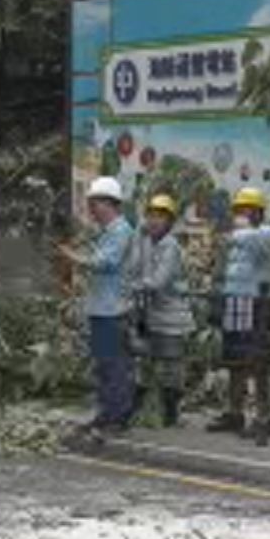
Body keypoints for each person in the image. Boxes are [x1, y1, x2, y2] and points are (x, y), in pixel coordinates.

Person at [208, 187, 270, 444]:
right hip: (236, 304)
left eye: (246, 208)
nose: (241, 213)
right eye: (238, 209)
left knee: (258, 364)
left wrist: (232, 233)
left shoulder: (267, 233)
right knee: (235, 363)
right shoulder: (240, 240)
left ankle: (263, 418)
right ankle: (234, 413)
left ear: (259, 211)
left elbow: (247, 239)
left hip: (258, 306)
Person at [67, 176, 139, 433]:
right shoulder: (107, 232)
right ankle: (106, 412)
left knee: (114, 364)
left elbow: (106, 262)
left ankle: (118, 416)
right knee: (103, 364)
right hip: (101, 307)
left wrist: (74, 257)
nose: (92, 210)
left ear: (109, 204)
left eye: (95, 204)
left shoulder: (121, 231)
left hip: (113, 309)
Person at [134, 193, 192, 427]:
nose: (154, 221)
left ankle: (171, 413)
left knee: (171, 365)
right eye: (151, 216)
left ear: (170, 222)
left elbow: (159, 281)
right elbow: (137, 267)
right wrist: (139, 235)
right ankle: (145, 408)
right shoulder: (147, 242)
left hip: (172, 316)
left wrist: (132, 285)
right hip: (151, 313)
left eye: (161, 217)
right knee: (146, 363)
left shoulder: (171, 247)